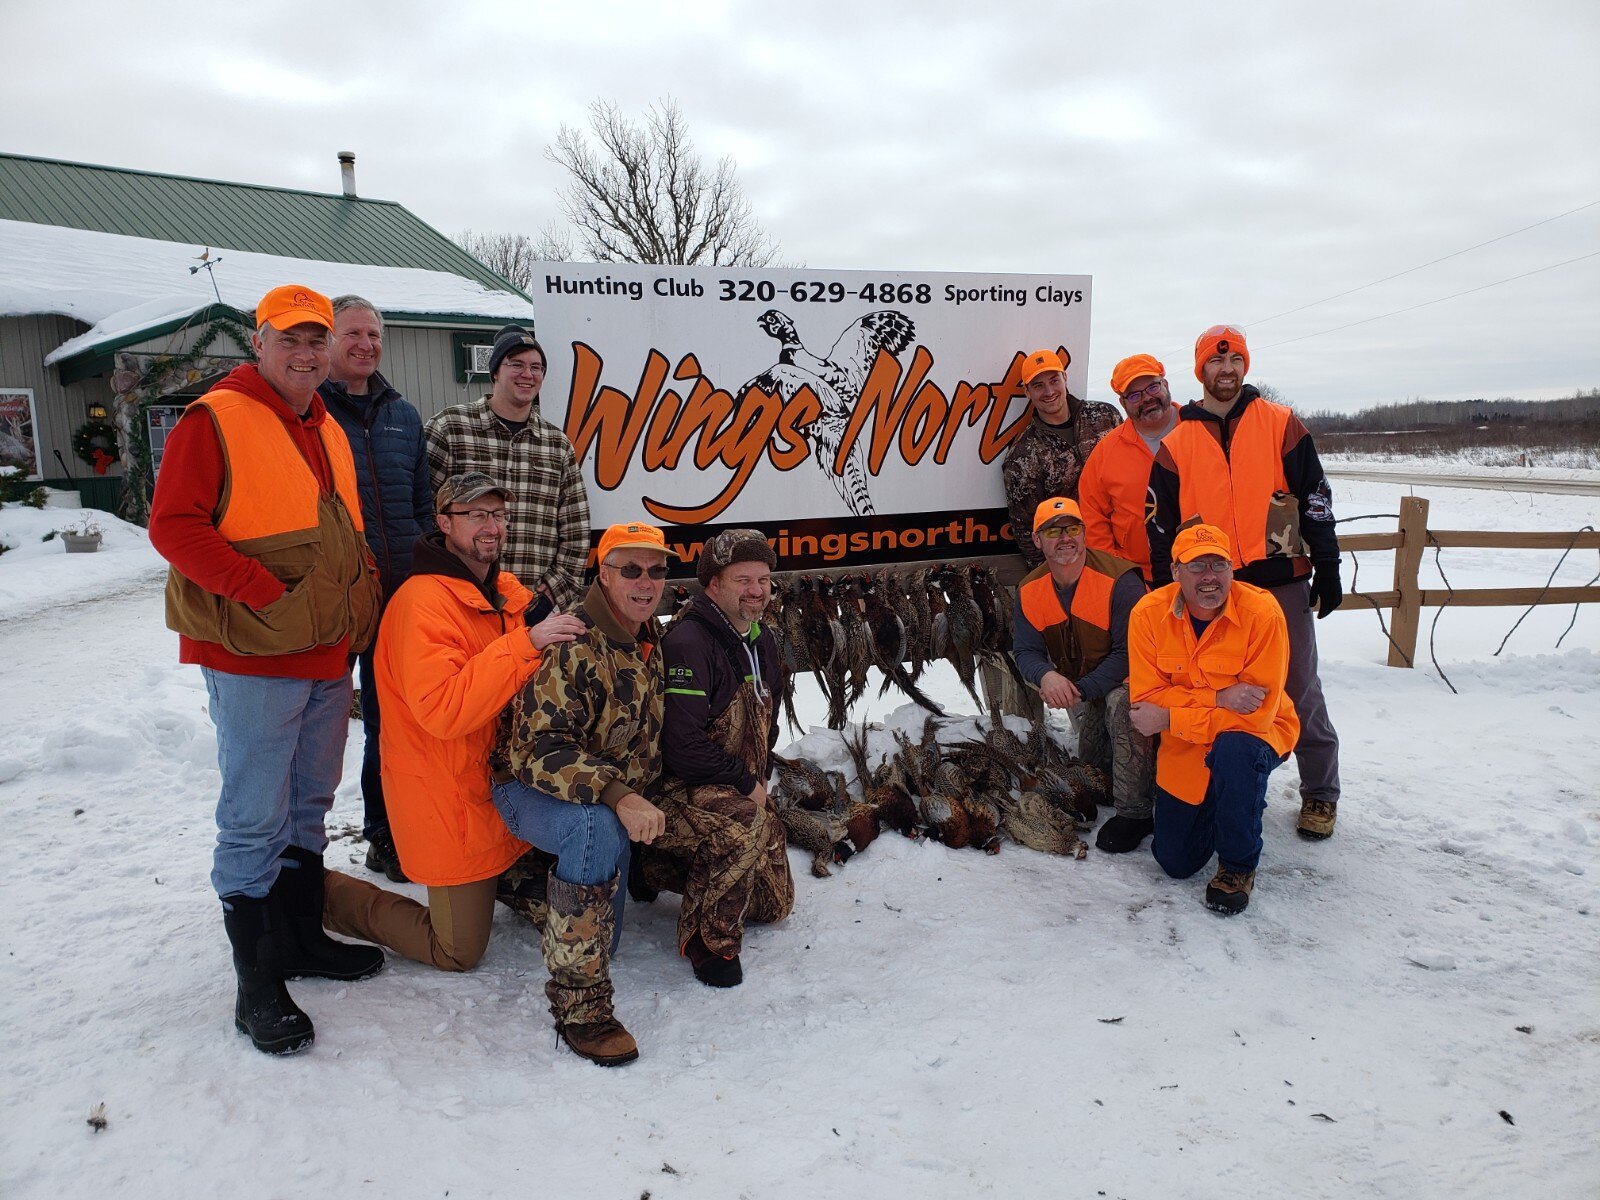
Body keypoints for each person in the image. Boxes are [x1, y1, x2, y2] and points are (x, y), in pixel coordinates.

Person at [148, 284, 385, 1056]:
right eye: (291, 339)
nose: (307, 353)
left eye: (317, 340)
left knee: (309, 801)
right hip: (252, 653)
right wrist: (260, 591)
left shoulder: (325, 423)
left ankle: (299, 941)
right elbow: (173, 526)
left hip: (321, 652)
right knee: (254, 811)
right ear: (260, 344)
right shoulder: (215, 417)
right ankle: (256, 983)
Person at [317, 473, 587, 972]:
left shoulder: (504, 592)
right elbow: (444, 709)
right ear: (444, 523)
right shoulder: (421, 603)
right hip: (449, 802)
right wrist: (526, 644)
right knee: (458, 950)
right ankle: (323, 894)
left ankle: (502, 880)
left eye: (499, 515)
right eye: (476, 515)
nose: (492, 526)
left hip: (501, 792)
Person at [1147, 326, 1343, 840]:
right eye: (1216, 362)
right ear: (1200, 371)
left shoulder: (1281, 424)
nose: (1226, 370)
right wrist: (1162, 588)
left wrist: (1329, 568)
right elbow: (1159, 525)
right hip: (1207, 586)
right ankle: (1215, 785)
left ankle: (1320, 793)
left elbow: (1317, 500)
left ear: (1245, 367)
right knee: (1202, 687)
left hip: (1279, 581)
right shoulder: (1176, 442)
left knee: (1297, 685)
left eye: (1235, 361)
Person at [491, 521, 674, 1067]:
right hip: (527, 791)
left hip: (607, 799)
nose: (646, 582)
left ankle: (524, 884)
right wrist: (619, 795)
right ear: (603, 572)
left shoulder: (649, 635)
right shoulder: (574, 643)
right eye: (631, 569)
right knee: (595, 831)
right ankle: (582, 1008)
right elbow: (536, 751)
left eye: (657, 569)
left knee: (602, 932)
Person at [638, 527, 794, 988]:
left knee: (774, 906)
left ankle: (659, 869)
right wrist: (747, 787)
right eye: (743, 580)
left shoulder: (762, 640)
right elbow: (681, 745)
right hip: (677, 789)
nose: (756, 591)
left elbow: (769, 721)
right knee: (742, 826)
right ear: (713, 584)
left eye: (764, 580)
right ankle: (707, 942)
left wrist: (758, 780)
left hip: (733, 787)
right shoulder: (689, 641)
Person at [319, 294, 435, 884]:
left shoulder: (403, 416)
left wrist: (425, 571)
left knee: (394, 724)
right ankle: (296, 860)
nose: (366, 344)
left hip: (399, 597)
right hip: (336, 599)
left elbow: (421, 506)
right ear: (329, 339)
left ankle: (387, 834)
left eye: (374, 334)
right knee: (320, 725)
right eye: (353, 334)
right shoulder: (310, 411)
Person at [1127, 524, 1299, 915]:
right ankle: (1226, 801)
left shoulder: (1263, 613)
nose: (1209, 577)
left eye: (1219, 564)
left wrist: (1173, 715)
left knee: (1236, 752)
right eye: (1197, 565)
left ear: (1232, 568)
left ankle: (1237, 866)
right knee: (1175, 863)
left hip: (1258, 733)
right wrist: (1219, 697)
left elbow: (1255, 716)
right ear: (1175, 572)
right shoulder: (1148, 614)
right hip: (1185, 746)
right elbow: (1145, 704)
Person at [1013, 498, 1155, 853]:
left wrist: (1080, 688)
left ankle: (1136, 814)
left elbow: (1131, 654)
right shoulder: (1030, 589)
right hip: (1088, 689)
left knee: (1125, 705)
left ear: (1085, 533)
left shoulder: (1120, 581)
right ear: (1037, 539)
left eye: (1072, 528)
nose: (1065, 539)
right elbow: (1025, 651)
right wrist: (1046, 676)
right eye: (1053, 531)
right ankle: (1124, 782)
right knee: (1095, 773)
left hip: (1136, 682)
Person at [424, 324, 590, 610]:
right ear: (495, 372)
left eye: (536, 367)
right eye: (517, 364)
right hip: (459, 601)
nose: (528, 374)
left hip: (532, 603)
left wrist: (551, 597)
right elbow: (421, 510)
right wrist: (442, 581)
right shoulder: (449, 427)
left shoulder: (556, 444)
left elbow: (576, 529)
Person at [1001, 348, 1122, 569]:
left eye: (1054, 380)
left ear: (1065, 378)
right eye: (1038, 385)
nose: (1049, 391)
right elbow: (1028, 532)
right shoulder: (1023, 456)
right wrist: (1053, 580)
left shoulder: (1106, 416)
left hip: (1125, 546)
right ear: (1027, 392)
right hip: (1076, 560)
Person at [1078, 353, 1180, 582]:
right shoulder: (1107, 452)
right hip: (1141, 577)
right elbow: (1093, 518)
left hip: (1204, 569)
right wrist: (1120, 572)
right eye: (1134, 395)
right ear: (1122, 403)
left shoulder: (1198, 429)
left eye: (1153, 387)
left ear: (1165, 384)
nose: (1147, 398)